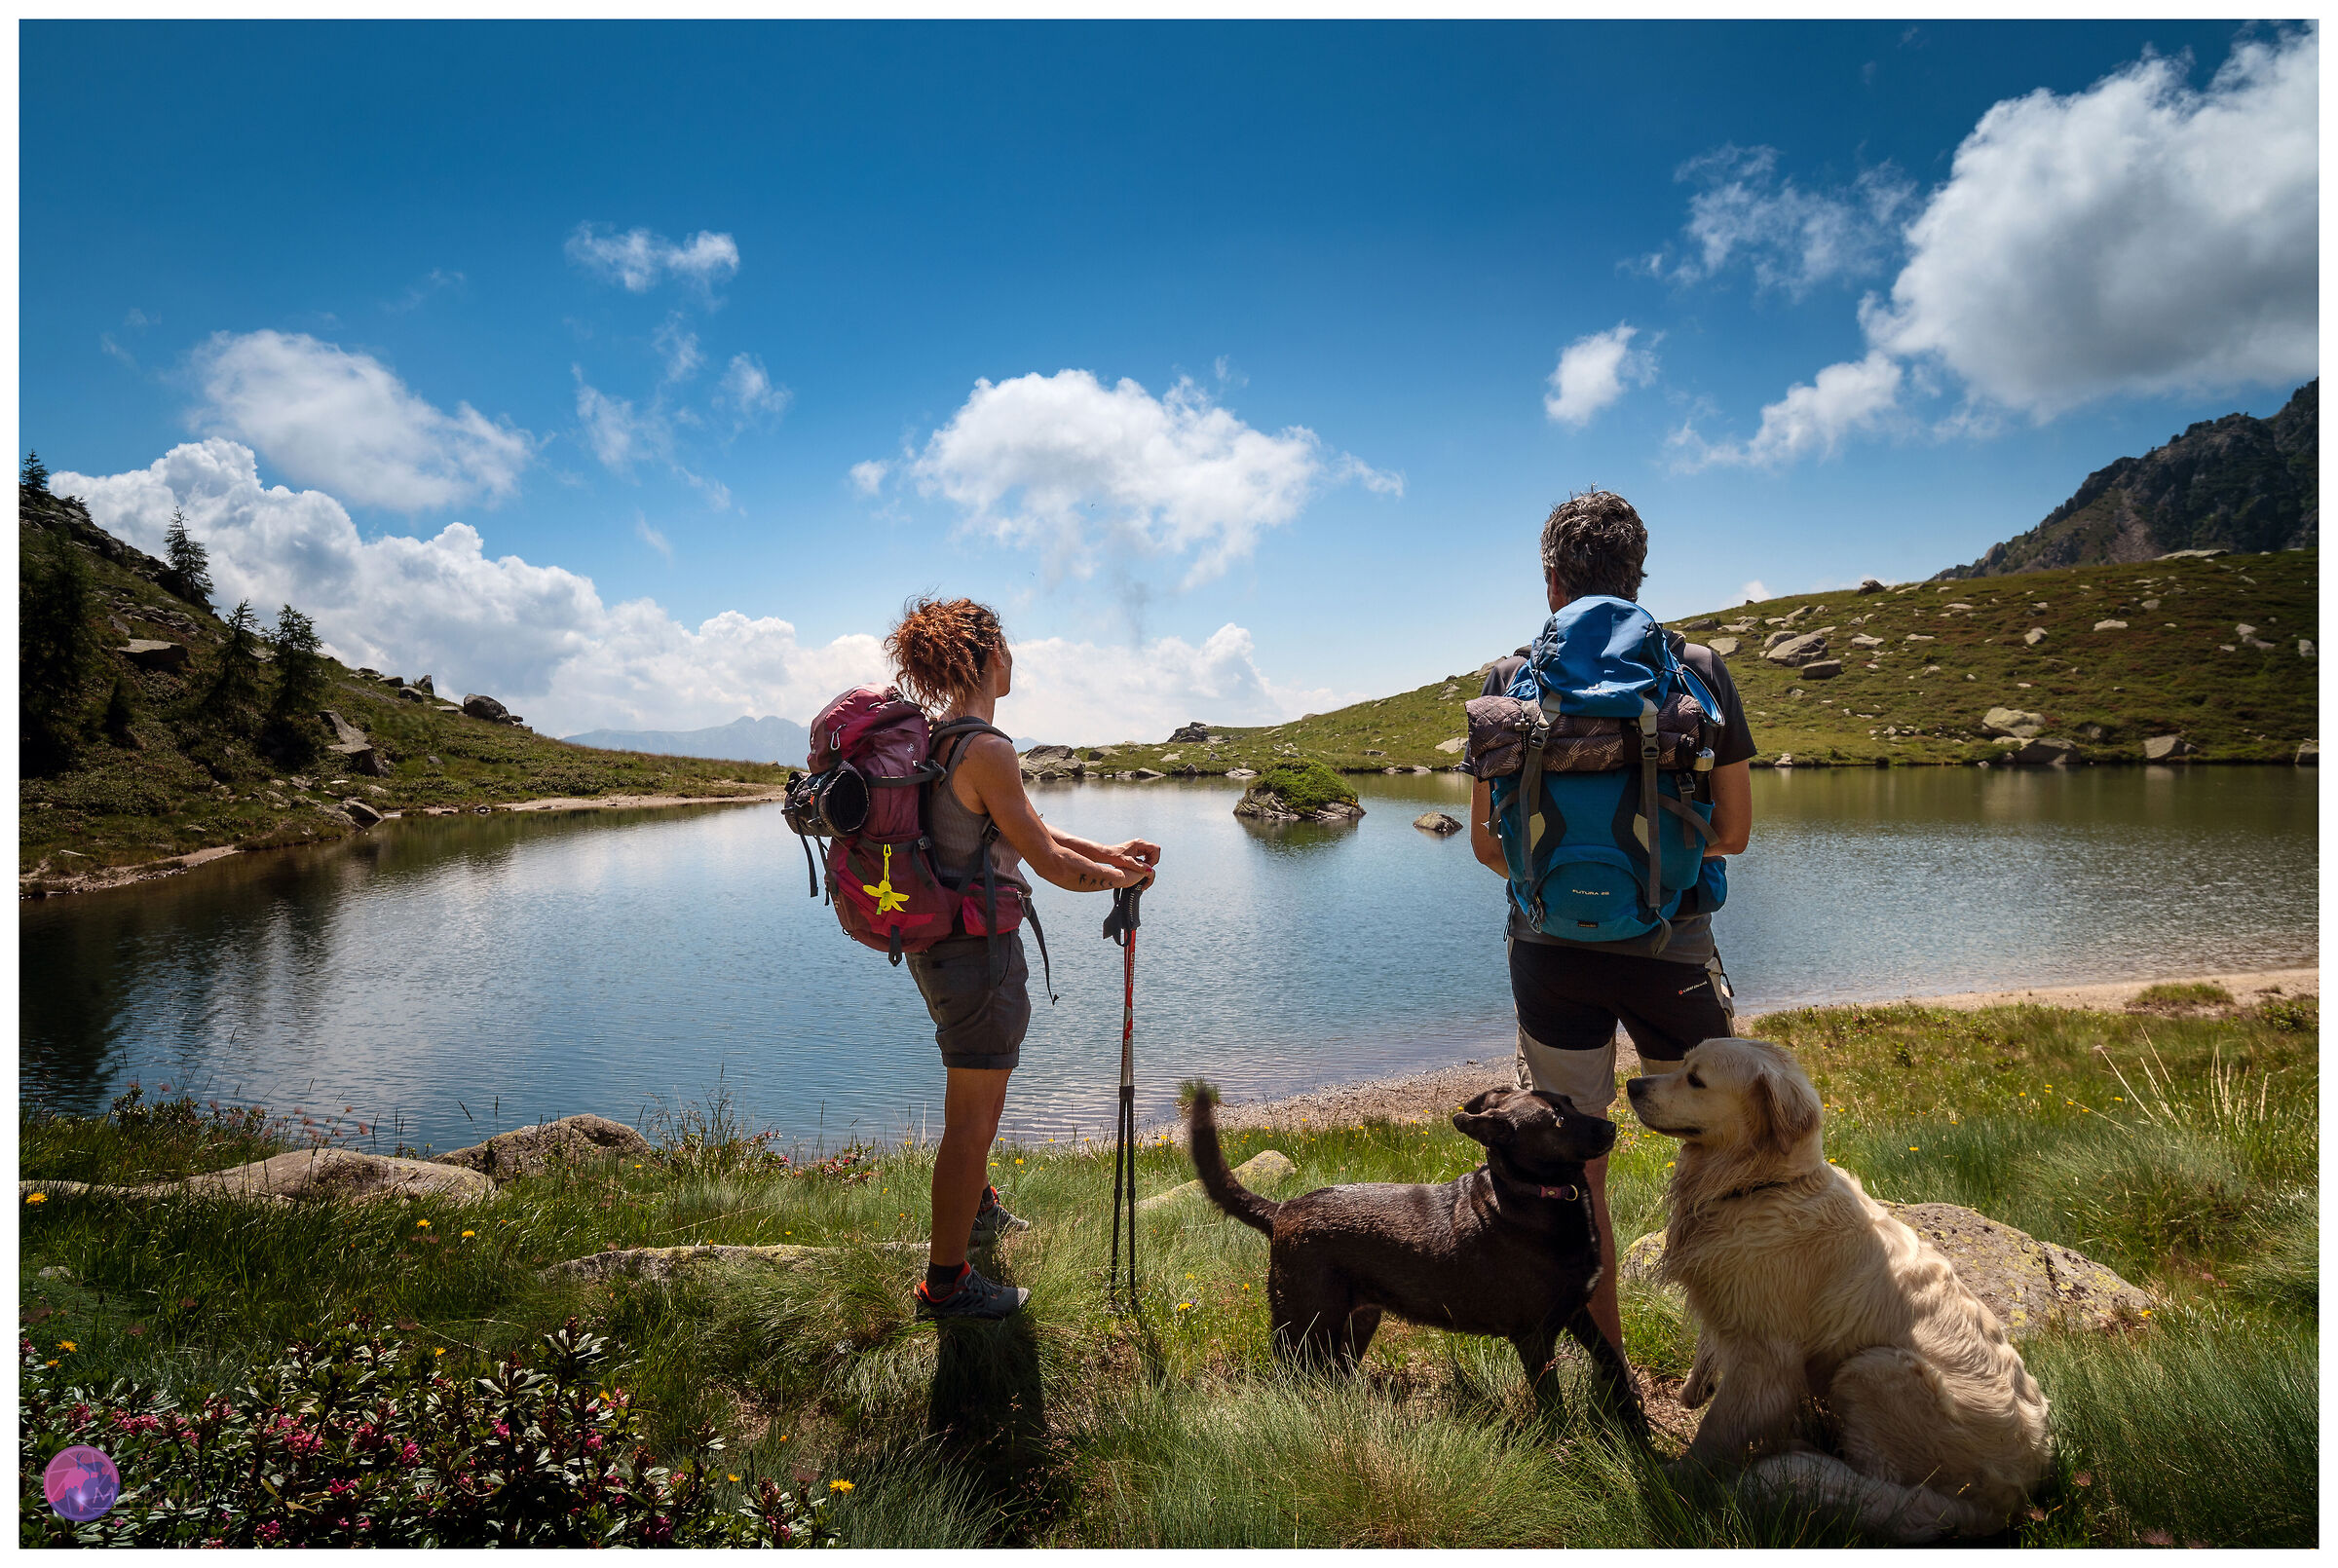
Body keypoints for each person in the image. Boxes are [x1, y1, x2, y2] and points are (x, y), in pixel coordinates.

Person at [1467, 492, 1756, 1361]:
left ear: (1550, 579)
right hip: (1672, 950)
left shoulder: (1507, 684)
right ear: (1638, 578)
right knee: (1715, 1146)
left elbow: (1489, 845)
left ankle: (1610, 1369)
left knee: (1571, 1163)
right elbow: (1736, 833)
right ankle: (1733, 1353)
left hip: (1549, 956)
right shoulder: (1693, 669)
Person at [886, 597, 1160, 1321]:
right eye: (1007, 647)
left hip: (943, 948)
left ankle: (978, 1211)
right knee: (972, 1119)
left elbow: (1028, 827)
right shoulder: (987, 748)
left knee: (975, 1108)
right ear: (987, 657)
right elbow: (1048, 865)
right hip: (977, 957)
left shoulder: (947, 740)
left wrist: (1109, 852)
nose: (1014, 659)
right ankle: (944, 1286)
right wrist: (1121, 881)